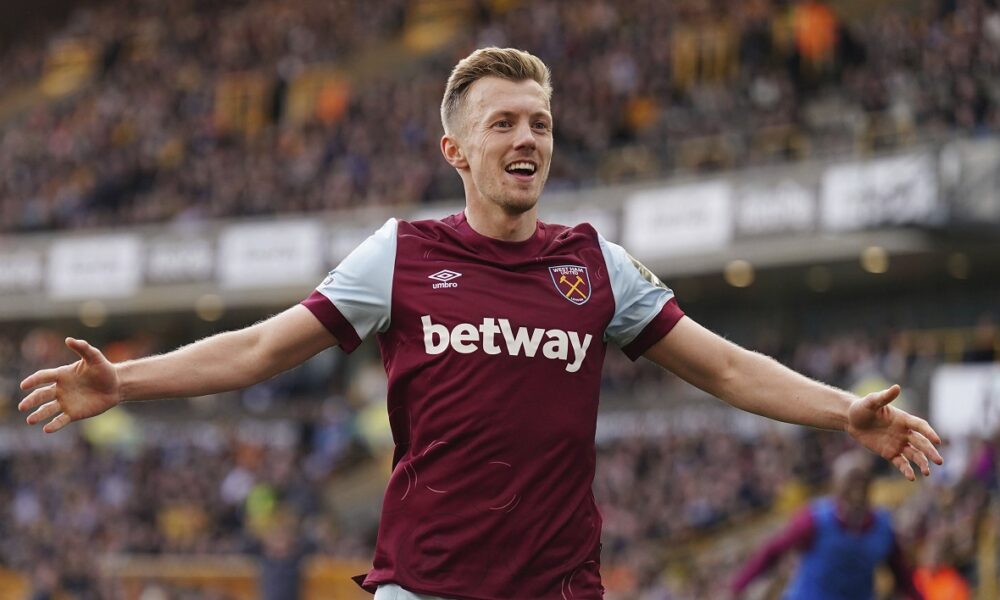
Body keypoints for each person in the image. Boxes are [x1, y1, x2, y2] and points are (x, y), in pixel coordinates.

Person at [19, 47, 943, 600]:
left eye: (539, 123)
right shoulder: (400, 254)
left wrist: (841, 411)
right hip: (426, 586)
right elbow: (262, 348)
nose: (528, 140)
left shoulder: (595, 265)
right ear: (457, 149)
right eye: (503, 124)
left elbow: (728, 368)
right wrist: (126, 381)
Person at [729, 451, 924, 600]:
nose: (856, 489)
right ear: (837, 485)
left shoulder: (882, 527)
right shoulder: (814, 519)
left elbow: (902, 575)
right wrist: (738, 586)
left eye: (861, 482)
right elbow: (773, 550)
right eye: (850, 482)